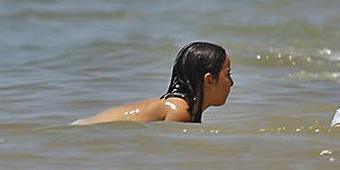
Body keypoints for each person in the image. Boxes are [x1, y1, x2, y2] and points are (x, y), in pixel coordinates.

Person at [74, 42, 233, 124]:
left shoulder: (181, 107)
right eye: (228, 74)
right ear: (209, 79)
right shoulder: (180, 110)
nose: (231, 83)